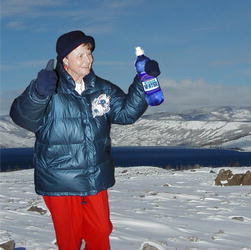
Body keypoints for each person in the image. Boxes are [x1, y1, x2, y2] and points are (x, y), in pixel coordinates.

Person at [10, 30, 161, 250]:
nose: (87, 59)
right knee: (69, 240)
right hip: (61, 181)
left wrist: (143, 81)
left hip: (94, 179)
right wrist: (38, 93)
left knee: (100, 234)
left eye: (89, 54)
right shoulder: (50, 88)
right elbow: (22, 117)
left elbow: (126, 113)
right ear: (65, 60)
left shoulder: (102, 88)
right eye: (80, 55)